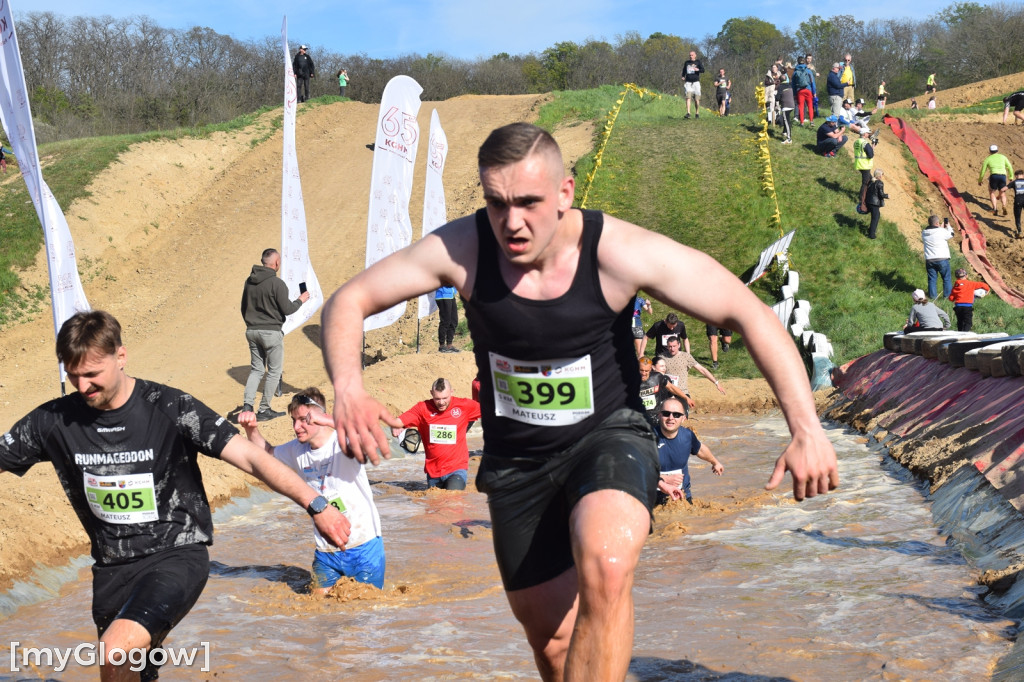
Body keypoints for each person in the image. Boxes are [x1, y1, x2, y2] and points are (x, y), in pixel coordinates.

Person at [318, 121, 839, 681]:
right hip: (517, 463)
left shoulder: (617, 251)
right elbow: (348, 301)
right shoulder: (463, 248)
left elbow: (749, 312)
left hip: (607, 436)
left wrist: (806, 427)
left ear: (565, 193)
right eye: (496, 204)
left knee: (608, 565)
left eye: (528, 202)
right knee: (556, 646)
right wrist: (349, 387)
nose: (511, 222)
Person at [0, 310, 349, 681]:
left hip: (175, 555)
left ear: (121, 356)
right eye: (73, 375)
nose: (82, 386)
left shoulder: (169, 407)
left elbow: (251, 458)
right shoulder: (54, 420)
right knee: (130, 669)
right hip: (111, 570)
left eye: (92, 374)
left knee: (114, 651)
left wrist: (316, 504)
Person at [239, 387, 384, 591]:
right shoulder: (297, 450)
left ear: (320, 416)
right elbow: (268, 455)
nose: (296, 426)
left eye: (303, 419)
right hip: (326, 551)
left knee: (366, 612)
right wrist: (251, 429)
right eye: (293, 420)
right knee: (320, 614)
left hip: (364, 546)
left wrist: (328, 420)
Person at [241, 247, 310, 420]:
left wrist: (252, 323)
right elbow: (287, 309)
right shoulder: (277, 284)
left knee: (256, 370)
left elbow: (244, 308)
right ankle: (264, 409)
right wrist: (301, 300)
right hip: (271, 333)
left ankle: (247, 406)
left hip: (252, 331)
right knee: (274, 371)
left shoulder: (249, 282)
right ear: (276, 263)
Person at [393, 378, 481, 490]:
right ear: (431, 393)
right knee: (435, 505)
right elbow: (398, 422)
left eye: (445, 398)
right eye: (437, 399)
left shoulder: (464, 406)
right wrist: (395, 428)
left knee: (452, 500)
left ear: (452, 392)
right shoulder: (422, 409)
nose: (441, 402)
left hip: (456, 469)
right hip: (433, 472)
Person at [655, 397, 723, 504]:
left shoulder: (687, 436)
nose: (671, 418)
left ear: (684, 418)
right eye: (666, 413)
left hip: (682, 497)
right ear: (659, 415)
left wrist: (715, 462)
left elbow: (700, 449)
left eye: (676, 415)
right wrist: (663, 479)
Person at [661, 336, 726, 408]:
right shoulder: (662, 357)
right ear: (667, 346)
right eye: (670, 346)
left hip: (682, 392)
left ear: (679, 345)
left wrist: (716, 383)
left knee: (682, 416)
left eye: (674, 346)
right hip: (667, 392)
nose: (672, 349)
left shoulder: (686, 357)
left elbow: (702, 370)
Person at [638, 357, 689, 426]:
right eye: (641, 370)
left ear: (650, 369)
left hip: (655, 416)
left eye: (646, 371)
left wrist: (686, 398)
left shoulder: (657, 377)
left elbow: (671, 387)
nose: (643, 373)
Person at [922, 215, 955, 299]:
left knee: (932, 279)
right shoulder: (941, 231)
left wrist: (940, 228)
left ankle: (933, 297)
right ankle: (947, 297)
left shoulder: (924, 232)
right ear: (937, 223)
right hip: (942, 259)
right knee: (946, 279)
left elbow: (934, 232)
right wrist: (948, 227)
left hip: (929, 260)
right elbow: (951, 234)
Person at [949, 268, 990, 332]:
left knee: (960, 322)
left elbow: (951, 298)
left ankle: (960, 333)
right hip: (967, 306)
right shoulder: (971, 284)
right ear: (966, 276)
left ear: (956, 277)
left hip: (958, 307)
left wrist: (954, 298)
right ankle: (965, 334)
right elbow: (983, 285)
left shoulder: (956, 286)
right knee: (968, 323)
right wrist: (987, 290)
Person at [979, 144, 1015, 216]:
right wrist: (1011, 176)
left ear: (990, 151)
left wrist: (980, 180)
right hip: (1003, 176)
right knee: (1002, 192)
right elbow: (1010, 167)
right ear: (997, 150)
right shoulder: (1003, 157)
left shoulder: (988, 159)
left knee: (992, 192)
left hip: (994, 176)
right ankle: (1004, 206)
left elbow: (983, 170)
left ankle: (995, 209)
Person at [853, 126, 875, 213]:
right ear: (865, 134)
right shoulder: (865, 143)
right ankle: (862, 201)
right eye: (868, 133)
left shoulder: (856, 142)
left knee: (870, 180)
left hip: (859, 164)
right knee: (865, 183)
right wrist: (873, 147)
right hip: (865, 165)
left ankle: (868, 195)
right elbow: (870, 155)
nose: (868, 134)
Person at [864, 169, 888, 240]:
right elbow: (881, 195)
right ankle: (871, 235)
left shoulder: (871, 181)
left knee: (875, 216)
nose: (882, 176)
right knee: (875, 218)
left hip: (868, 201)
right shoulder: (880, 183)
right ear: (879, 176)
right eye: (881, 175)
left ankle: (870, 230)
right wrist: (887, 196)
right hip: (874, 203)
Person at [436, 284, 460, 352]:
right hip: (443, 295)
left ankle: (449, 345)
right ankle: (442, 346)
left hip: (451, 295)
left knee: (454, 321)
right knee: (445, 321)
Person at [681, 50, 704, 119]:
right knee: (688, 97)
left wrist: (698, 70)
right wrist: (683, 76)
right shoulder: (687, 62)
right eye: (690, 55)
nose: (691, 56)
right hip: (688, 82)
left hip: (696, 82)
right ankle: (688, 113)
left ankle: (697, 112)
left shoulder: (698, 62)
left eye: (692, 55)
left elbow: (703, 70)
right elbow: (684, 70)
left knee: (697, 100)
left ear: (695, 55)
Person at [792, 56, 814, 125]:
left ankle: (801, 122)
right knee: (810, 106)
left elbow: (793, 84)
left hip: (800, 91)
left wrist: (794, 93)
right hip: (808, 89)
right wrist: (814, 91)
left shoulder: (795, 72)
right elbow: (812, 82)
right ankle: (811, 121)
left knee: (801, 106)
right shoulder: (808, 71)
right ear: (804, 62)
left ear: (798, 62)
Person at [778, 68, 796, 144]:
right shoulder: (789, 85)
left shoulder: (781, 87)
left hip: (786, 106)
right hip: (792, 105)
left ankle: (789, 139)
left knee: (787, 122)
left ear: (780, 81)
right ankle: (785, 132)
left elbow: (777, 98)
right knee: (787, 121)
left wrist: (775, 95)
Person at [1013, 169, 1024, 238]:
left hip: (1018, 201)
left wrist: (999, 196)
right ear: (1023, 175)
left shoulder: (1014, 182)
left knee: (1017, 217)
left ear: (1016, 176)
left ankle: (1019, 231)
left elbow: (1003, 189)